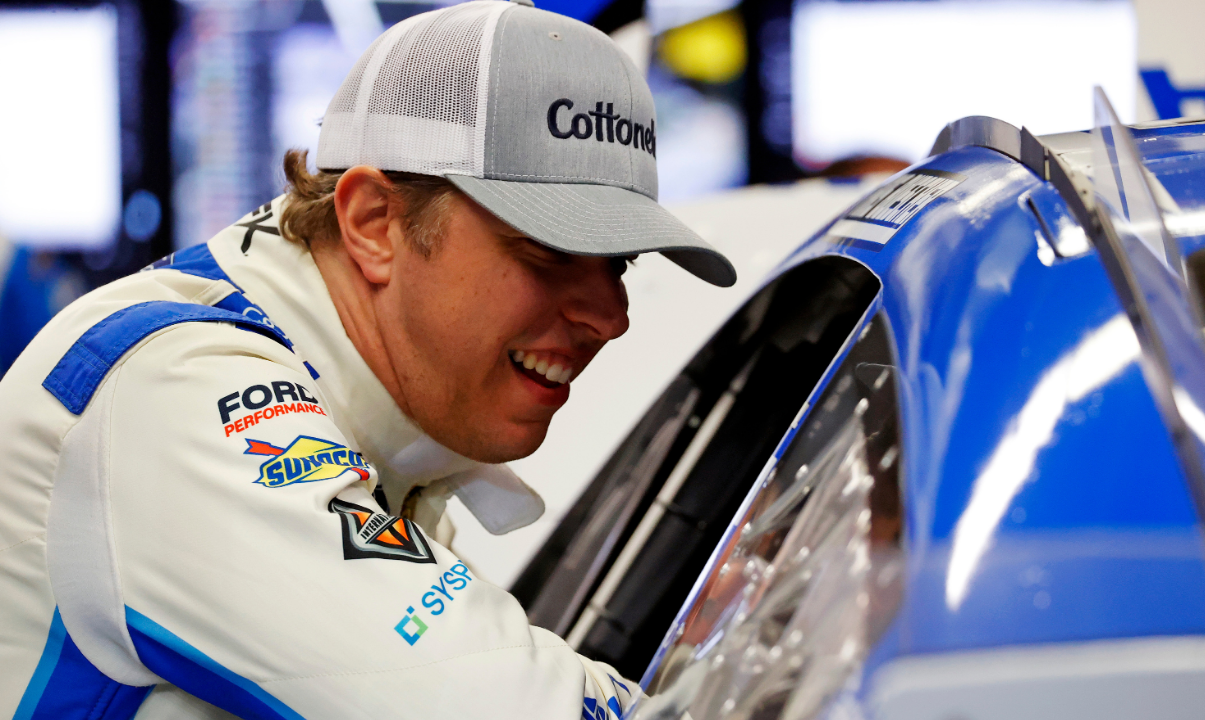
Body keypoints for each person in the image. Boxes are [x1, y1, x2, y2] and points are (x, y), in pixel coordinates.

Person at [0, 2, 735, 718]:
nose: (612, 317)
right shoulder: (177, 393)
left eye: (621, 262)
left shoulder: (347, 380)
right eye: (550, 252)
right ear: (373, 223)